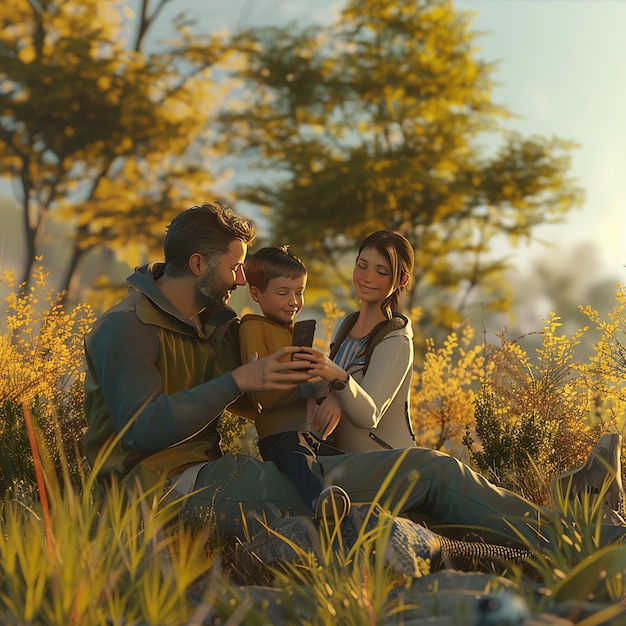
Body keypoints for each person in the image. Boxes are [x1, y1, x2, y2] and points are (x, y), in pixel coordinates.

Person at [83, 202, 626, 549]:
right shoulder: (125, 328)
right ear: (199, 266)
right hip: (160, 495)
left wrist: (299, 376)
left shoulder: (214, 324)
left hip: (211, 474)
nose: (240, 279)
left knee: (421, 476)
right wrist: (241, 382)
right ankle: (584, 542)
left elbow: (248, 391)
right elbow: (142, 429)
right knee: (429, 473)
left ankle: (562, 526)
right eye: (234, 268)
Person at [239, 245, 349, 520]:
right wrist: (303, 386)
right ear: (256, 293)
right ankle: (319, 502)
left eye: (299, 292)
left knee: (337, 455)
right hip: (280, 434)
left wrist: (324, 386)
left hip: (307, 431)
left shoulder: (292, 332)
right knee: (297, 456)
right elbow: (260, 395)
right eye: (282, 293)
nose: (293, 301)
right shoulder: (253, 327)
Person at [297, 229, 417, 453]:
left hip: (380, 459)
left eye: (381, 271)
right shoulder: (346, 326)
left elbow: (368, 414)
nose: (367, 277)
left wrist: (338, 381)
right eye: (362, 266)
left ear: (402, 280)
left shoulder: (396, 341)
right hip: (338, 455)